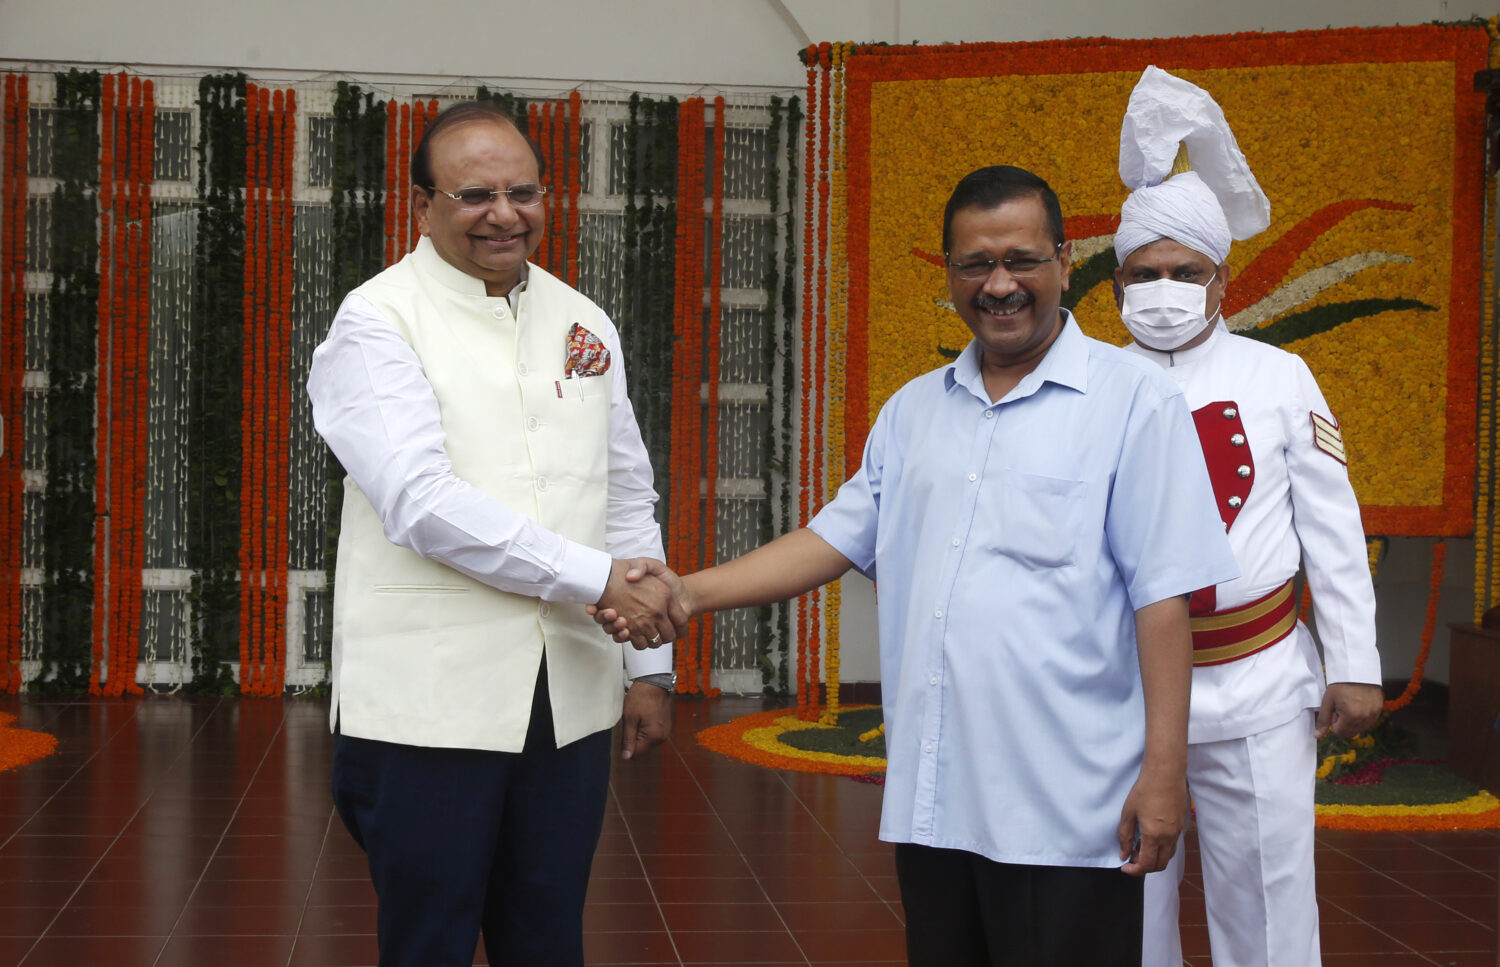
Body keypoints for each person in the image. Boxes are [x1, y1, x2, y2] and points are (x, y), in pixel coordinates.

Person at [599, 165, 1238, 967]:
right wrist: (686, 593)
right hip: (937, 802)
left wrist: (1165, 772)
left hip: (1071, 807)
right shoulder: (913, 412)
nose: (999, 284)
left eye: (1021, 260)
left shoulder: (1135, 402)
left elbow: (1162, 600)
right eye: (976, 264)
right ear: (948, 272)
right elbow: (830, 540)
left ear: (1065, 262)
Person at [307, 101, 687, 967]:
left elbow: (625, 493)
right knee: (429, 940)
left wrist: (650, 668)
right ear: (422, 205)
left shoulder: (581, 320)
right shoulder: (378, 321)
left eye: (524, 192)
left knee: (547, 936)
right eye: (475, 195)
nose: (504, 215)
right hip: (430, 702)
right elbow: (421, 501)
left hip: (569, 697)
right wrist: (595, 578)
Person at [1110, 67, 1385, 967]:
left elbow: (1331, 526)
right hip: (1119, 690)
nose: (1164, 288)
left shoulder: (1279, 376)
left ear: (1222, 280)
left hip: (1258, 679)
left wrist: (1353, 661)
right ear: (1116, 284)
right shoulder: (1087, 384)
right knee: (1122, 907)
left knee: (1269, 903)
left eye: (1184, 273)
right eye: (1145, 274)